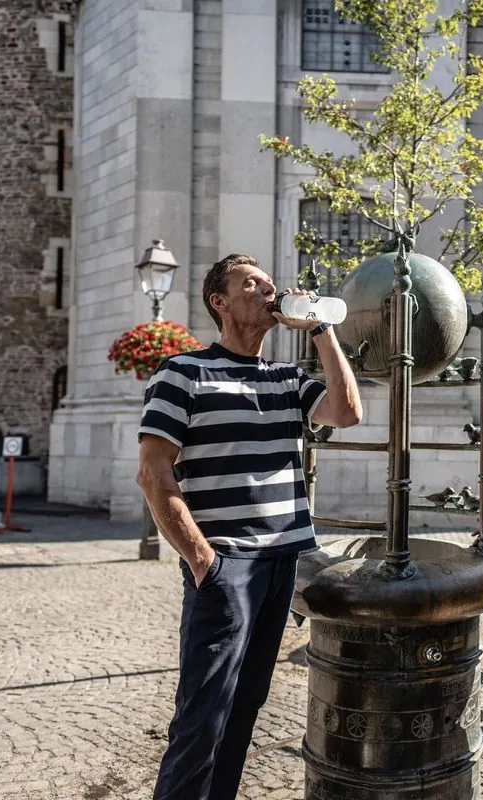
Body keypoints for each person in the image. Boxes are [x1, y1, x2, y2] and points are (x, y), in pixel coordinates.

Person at [137, 253, 362, 800]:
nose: (268, 291)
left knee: (243, 708)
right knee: (203, 715)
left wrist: (321, 330)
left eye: (269, 284)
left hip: (280, 563)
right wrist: (202, 559)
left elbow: (347, 411)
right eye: (251, 284)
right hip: (225, 565)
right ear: (220, 301)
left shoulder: (288, 379)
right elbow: (153, 473)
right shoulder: (183, 372)